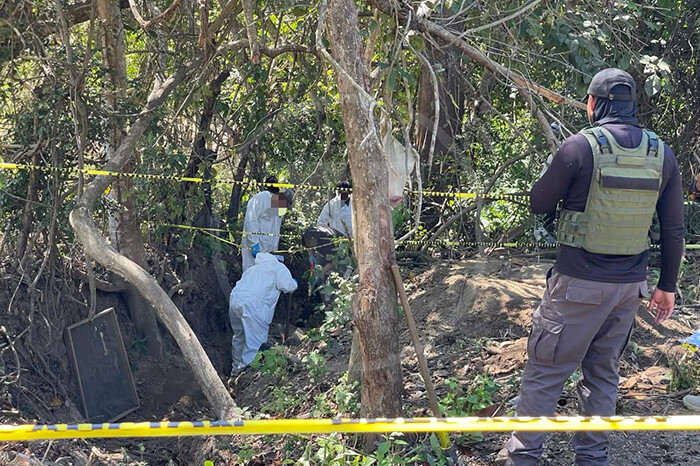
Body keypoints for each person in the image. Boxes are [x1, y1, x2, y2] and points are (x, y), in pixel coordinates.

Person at [498, 68, 685, 465]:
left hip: (577, 286)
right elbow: (673, 229)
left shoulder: (579, 148)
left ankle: (523, 457)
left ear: (594, 104)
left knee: (546, 372)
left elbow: (538, 202)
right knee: (603, 375)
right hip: (629, 289)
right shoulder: (661, 154)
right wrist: (666, 285)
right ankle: (593, 458)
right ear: (632, 105)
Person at [229, 251, 298, 375]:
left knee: (239, 336)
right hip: (254, 305)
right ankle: (243, 376)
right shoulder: (277, 267)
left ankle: (234, 371)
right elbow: (289, 287)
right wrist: (294, 282)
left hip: (235, 300)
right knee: (255, 344)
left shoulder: (253, 268)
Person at [241, 175, 294, 271]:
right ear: (279, 197)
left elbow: (275, 230)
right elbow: (250, 220)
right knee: (251, 275)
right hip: (255, 248)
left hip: (269, 253)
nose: (285, 207)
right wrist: (254, 244)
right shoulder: (262, 198)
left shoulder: (279, 210)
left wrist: (274, 249)